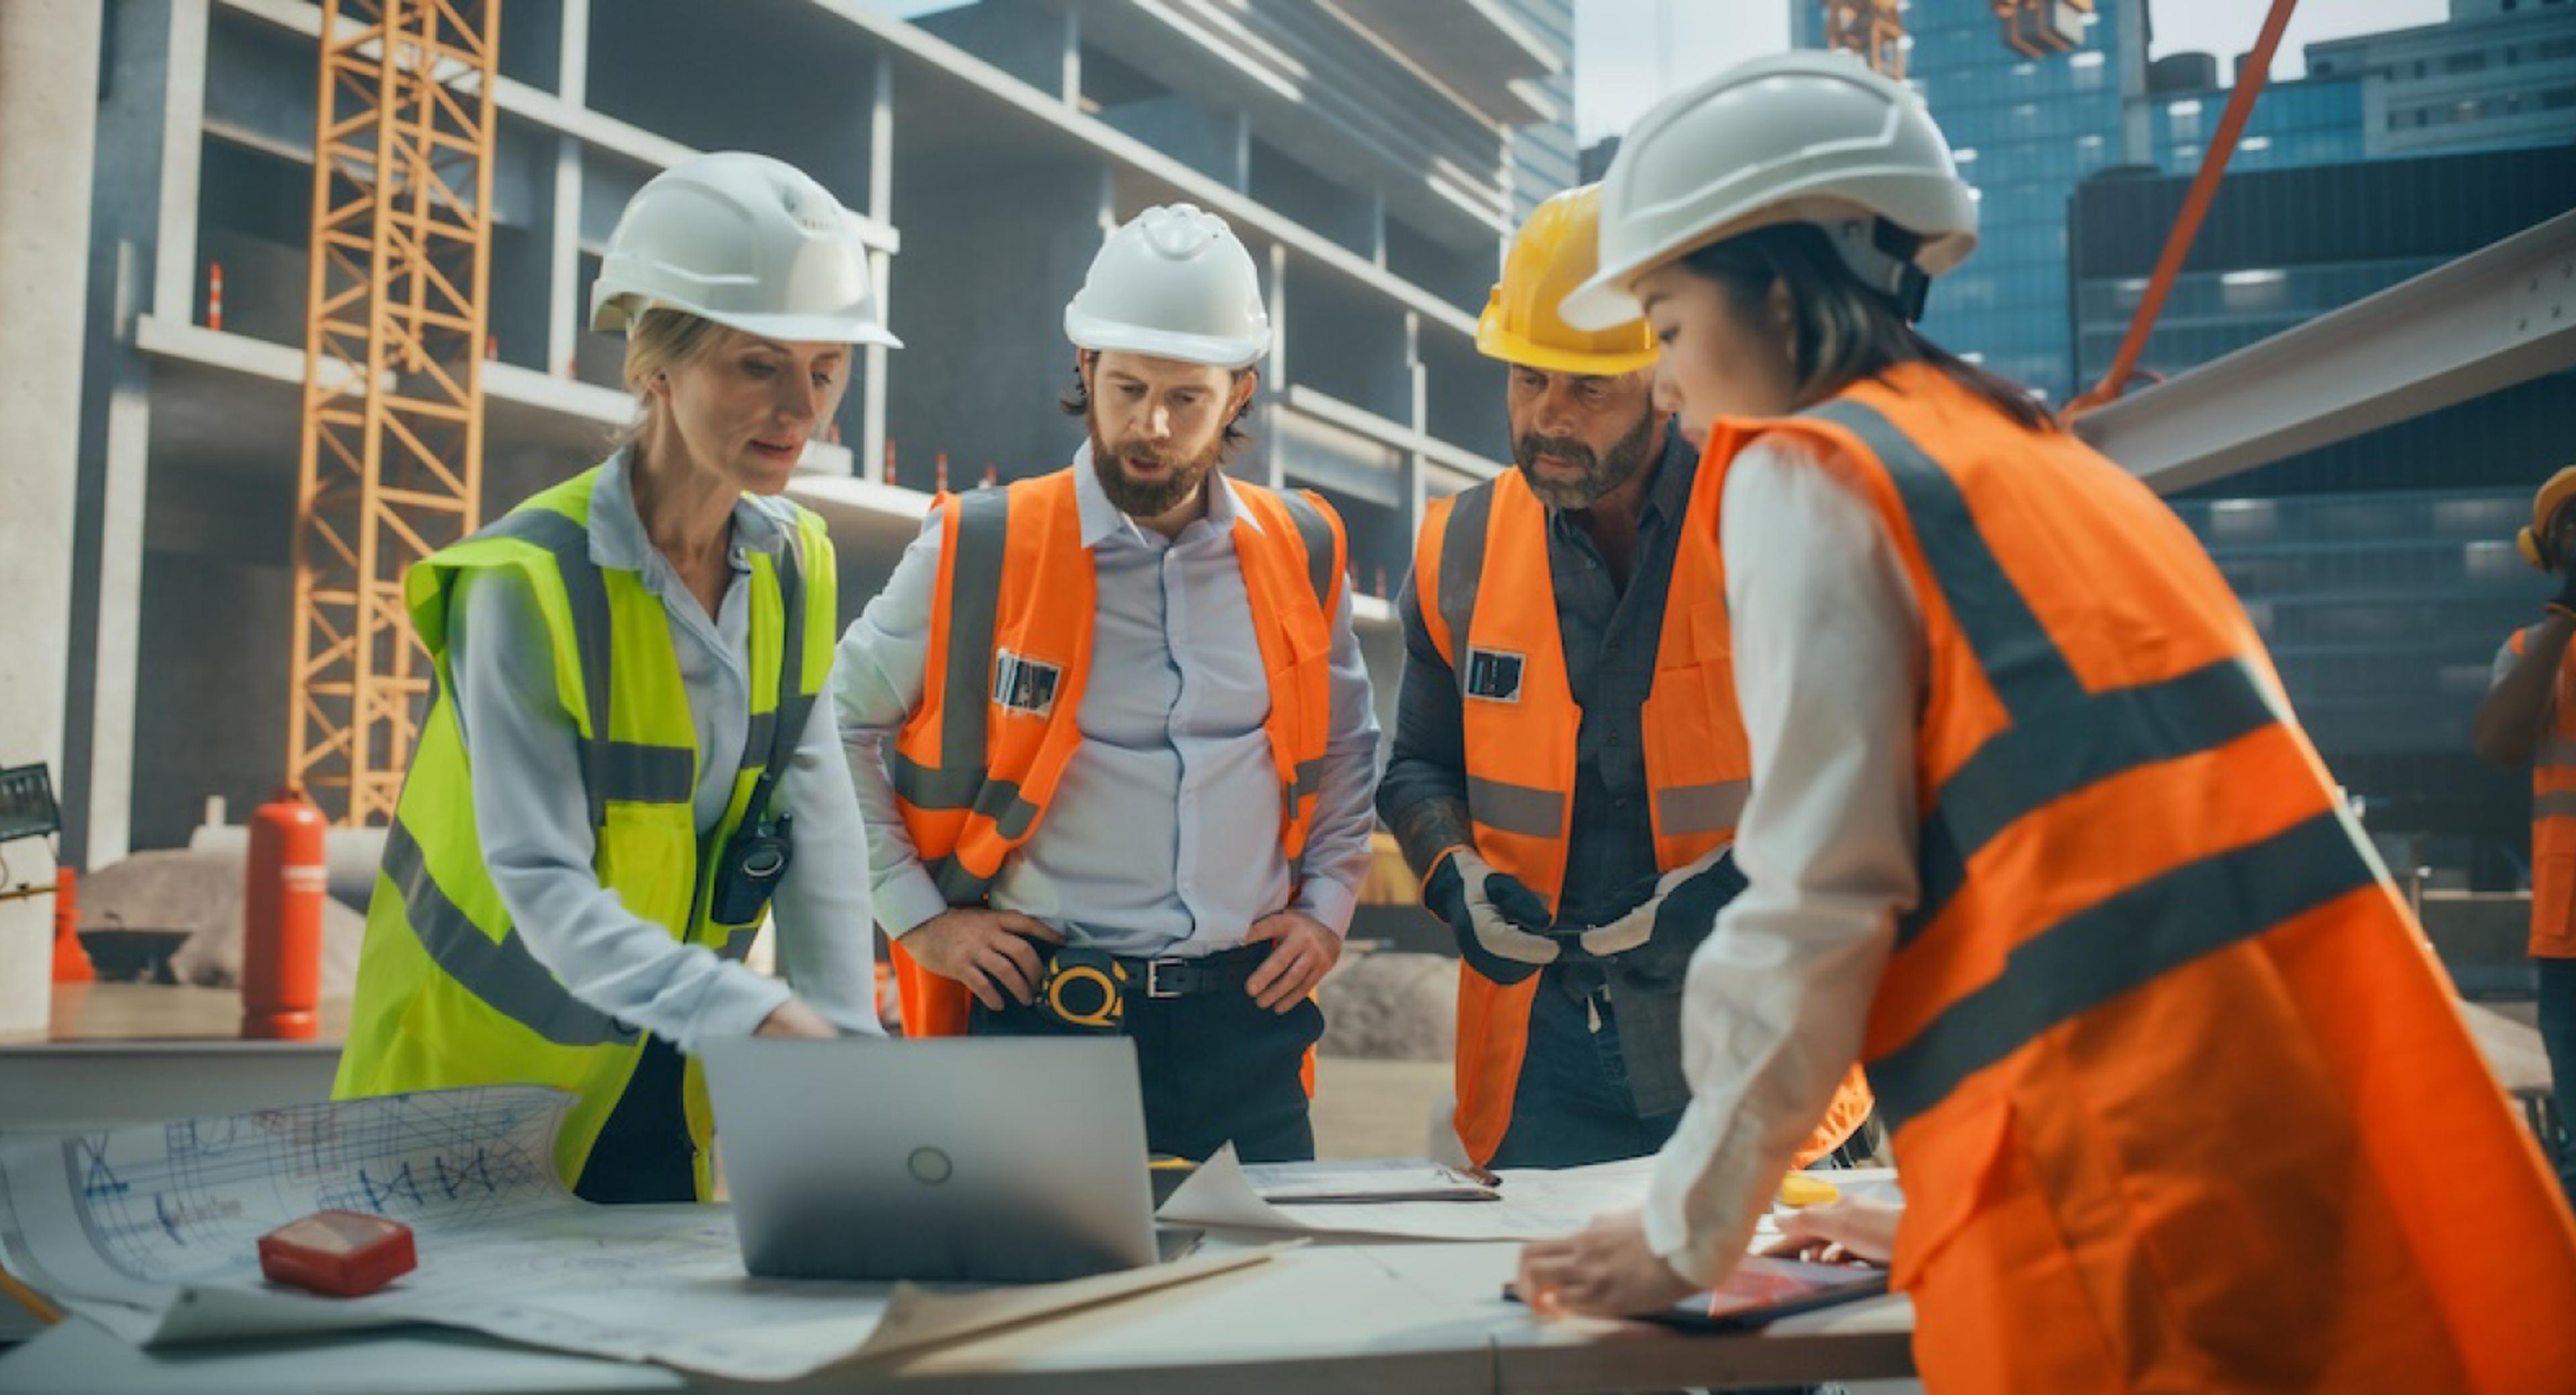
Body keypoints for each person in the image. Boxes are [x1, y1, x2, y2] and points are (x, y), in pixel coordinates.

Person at [1513, 52, 2576, 1390]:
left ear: (1777, 295)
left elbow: (1817, 900)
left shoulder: (1811, 469)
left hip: (2115, 1181)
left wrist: (1684, 1230)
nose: (1665, 390)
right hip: (2281, 1133)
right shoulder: (2046, 464)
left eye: (1664, 328)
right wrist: (1909, 1200)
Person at [333, 152, 892, 1203]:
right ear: (657, 364)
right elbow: (541, 882)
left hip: (660, 1076)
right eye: (758, 365)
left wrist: (846, 1051)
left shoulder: (796, 566)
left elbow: (817, 825)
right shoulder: (525, 583)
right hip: (468, 1097)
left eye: (827, 367)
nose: (800, 408)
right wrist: (754, 1014)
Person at [835, 204, 1379, 1164]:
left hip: (1246, 1028)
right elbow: (835, 724)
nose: (1151, 427)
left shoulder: (1304, 547)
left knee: (1261, 1308)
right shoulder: (980, 545)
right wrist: (916, 919)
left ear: (1240, 392)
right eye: (1127, 387)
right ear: (1084, 369)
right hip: (1050, 1021)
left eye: (1188, 399)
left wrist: (1330, 908)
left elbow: (1345, 749)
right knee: (1042, 1311)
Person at [1377, 185, 1871, 1171]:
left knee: (1765, 1314)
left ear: (1668, 380)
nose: (1548, 419)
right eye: (1528, 380)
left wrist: (1717, 892)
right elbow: (1419, 768)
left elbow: (1866, 785)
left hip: (1755, 1034)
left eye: (1588, 389)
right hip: (1540, 1066)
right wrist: (1455, 879)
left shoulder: (1780, 521)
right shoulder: (1459, 547)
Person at [2471, 463, 2576, 1201]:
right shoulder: (2528, 652)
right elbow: (2499, 742)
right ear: (2548, 552)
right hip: (2570, 942)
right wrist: (2565, 619)